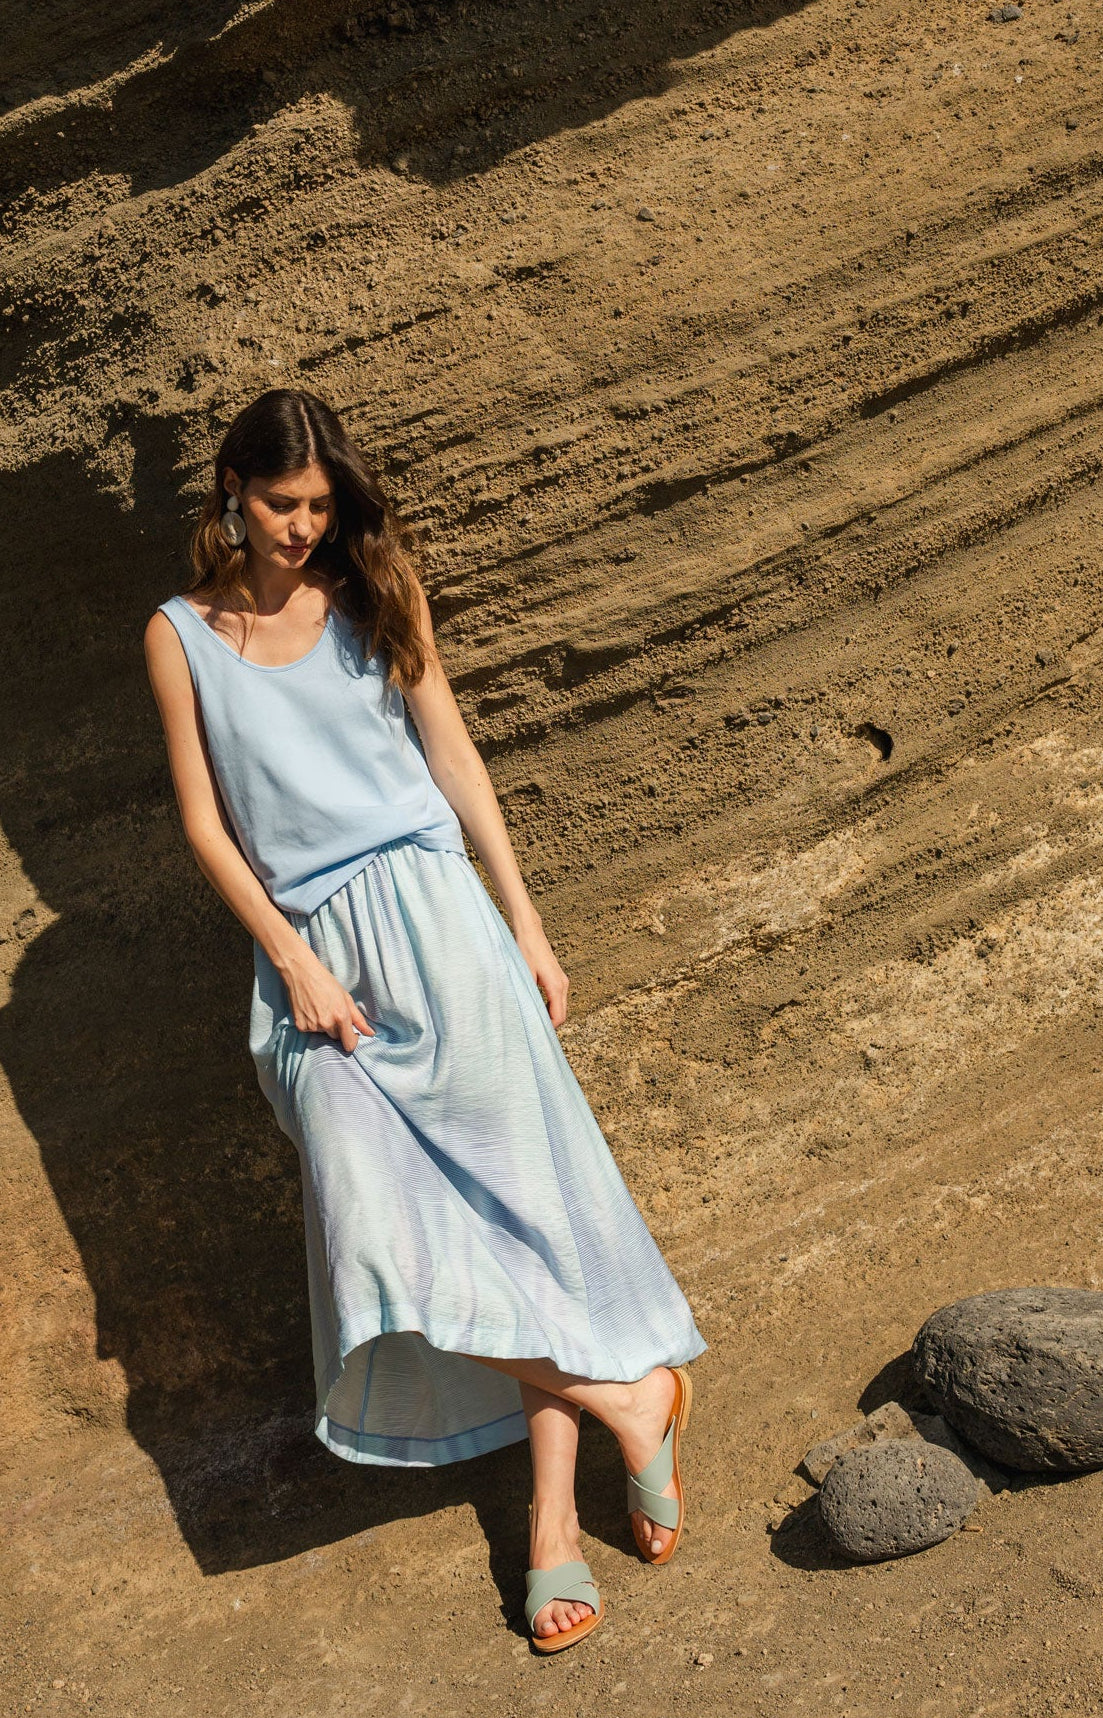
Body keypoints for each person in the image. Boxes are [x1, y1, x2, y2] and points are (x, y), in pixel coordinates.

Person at [144, 387, 706, 1653]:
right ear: (232, 486)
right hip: (314, 960)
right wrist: (290, 956)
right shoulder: (177, 634)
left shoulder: (367, 599)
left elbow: (453, 757)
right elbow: (203, 822)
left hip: (442, 928)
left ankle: (554, 1529)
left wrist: (528, 923)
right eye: (283, 504)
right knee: (382, 1232)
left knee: (529, 1222)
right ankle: (633, 1394)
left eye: (320, 506)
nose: (302, 527)